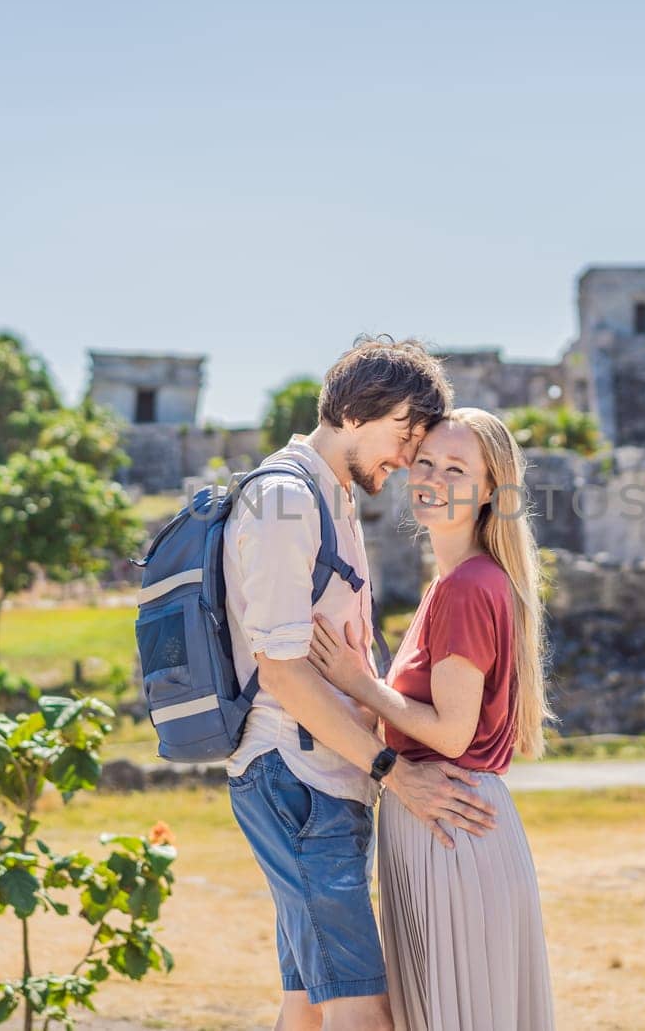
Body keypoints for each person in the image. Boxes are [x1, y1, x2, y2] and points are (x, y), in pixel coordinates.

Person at [223, 337, 499, 1031]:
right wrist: (392, 770)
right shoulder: (288, 499)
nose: (408, 459)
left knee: (310, 1005)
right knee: (363, 1011)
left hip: (316, 776)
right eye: (406, 434)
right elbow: (283, 670)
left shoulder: (329, 497)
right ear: (355, 410)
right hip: (297, 776)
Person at [307, 407, 556, 1030]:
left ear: (491, 491)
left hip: (450, 827)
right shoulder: (453, 584)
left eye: (456, 468)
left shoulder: (469, 586)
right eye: (424, 463)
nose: (433, 478)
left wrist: (358, 681)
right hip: (446, 821)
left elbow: (450, 732)